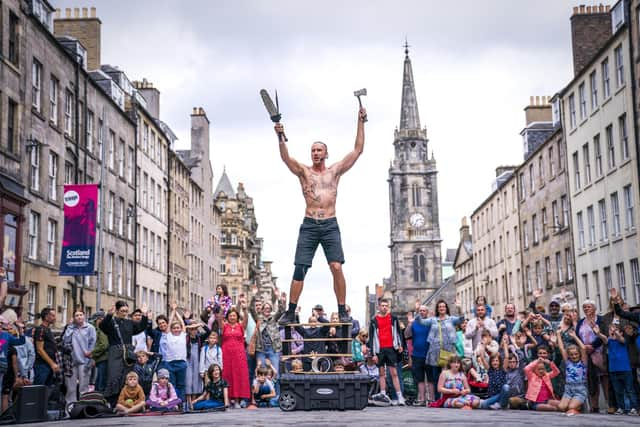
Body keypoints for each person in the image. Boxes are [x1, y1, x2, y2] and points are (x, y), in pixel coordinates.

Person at [275, 106, 367, 326]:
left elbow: (357, 150)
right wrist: (280, 137)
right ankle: (290, 311)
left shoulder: (334, 171)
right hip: (310, 224)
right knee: (300, 267)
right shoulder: (304, 172)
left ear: (326, 154)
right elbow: (286, 159)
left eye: (319, 150)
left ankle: (342, 310)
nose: (315, 153)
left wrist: (360, 121)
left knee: (336, 266)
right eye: (313, 150)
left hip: (329, 224)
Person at [99, 301, 149, 406]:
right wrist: (109, 315)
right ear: (117, 311)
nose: (124, 313)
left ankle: (125, 402)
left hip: (127, 354)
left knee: (126, 377)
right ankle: (112, 402)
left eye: (126, 311)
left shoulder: (129, 322)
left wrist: (144, 315)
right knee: (114, 377)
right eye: (122, 311)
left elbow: (141, 328)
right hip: (115, 352)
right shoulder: (112, 322)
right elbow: (102, 327)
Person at [419, 299, 463, 402]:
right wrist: (418, 311)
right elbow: (421, 322)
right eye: (439, 307)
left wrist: (459, 308)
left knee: (447, 375)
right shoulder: (433, 320)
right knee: (436, 376)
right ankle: (437, 398)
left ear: (446, 308)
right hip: (435, 351)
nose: (441, 308)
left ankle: (447, 398)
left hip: (448, 352)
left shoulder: (451, 319)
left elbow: (461, 319)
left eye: (443, 306)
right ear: (437, 309)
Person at [594, 323, 638, 415]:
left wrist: (616, 332)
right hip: (613, 370)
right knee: (618, 391)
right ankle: (621, 408)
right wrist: (598, 333)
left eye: (615, 329)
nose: (612, 331)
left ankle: (634, 408)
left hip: (625, 370)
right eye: (610, 330)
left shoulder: (623, 340)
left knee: (629, 389)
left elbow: (621, 339)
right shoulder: (609, 340)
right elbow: (603, 338)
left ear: (621, 333)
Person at [368, 299, 405, 406]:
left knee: (394, 373)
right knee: (381, 373)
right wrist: (373, 354)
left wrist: (400, 345)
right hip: (379, 349)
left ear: (388, 307)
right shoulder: (374, 320)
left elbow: (399, 333)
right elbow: (371, 338)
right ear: (379, 307)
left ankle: (400, 397)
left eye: (386, 306)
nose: (384, 307)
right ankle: (383, 395)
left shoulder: (393, 318)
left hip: (391, 348)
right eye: (382, 306)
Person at [576, 299, 607, 413]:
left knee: (604, 378)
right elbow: (577, 335)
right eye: (584, 307)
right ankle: (595, 406)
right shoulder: (581, 322)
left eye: (588, 307)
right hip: (586, 354)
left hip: (600, 352)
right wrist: (584, 347)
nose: (586, 309)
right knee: (591, 379)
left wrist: (593, 346)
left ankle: (610, 404)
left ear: (594, 308)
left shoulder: (601, 320)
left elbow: (604, 333)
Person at [62, 308, 96, 404]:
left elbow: (93, 342)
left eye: (81, 315)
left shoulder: (90, 328)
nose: (79, 317)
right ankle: (70, 407)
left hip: (85, 360)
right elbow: (66, 340)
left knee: (83, 386)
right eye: (77, 315)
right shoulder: (71, 328)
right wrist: (70, 327)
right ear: (73, 317)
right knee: (71, 387)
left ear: (84, 316)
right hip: (71, 361)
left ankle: (83, 406)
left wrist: (90, 354)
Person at [157, 303, 188, 407]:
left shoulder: (183, 335)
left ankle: (182, 403)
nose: (176, 329)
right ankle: (174, 403)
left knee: (181, 384)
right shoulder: (168, 335)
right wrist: (172, 311)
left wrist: (176, 312)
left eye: (178, 328)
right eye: (174, 328)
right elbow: (169, 323)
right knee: (172, 385)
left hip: (181, 363)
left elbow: (183, 323)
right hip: (170, 363)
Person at [221, 305, 250, 408]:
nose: (232, 317)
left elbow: (246, 320)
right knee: (227, 375)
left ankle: (238, 400)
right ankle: (228, 399)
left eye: (234, 315)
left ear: (237, 317)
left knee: (239, 376)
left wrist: (245, 310)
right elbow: (219, 318)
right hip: (227, 354)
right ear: (228, 317)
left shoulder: (240, 326)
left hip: (239, 354)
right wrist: (221, 309)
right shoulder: (224, 326)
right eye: (230, 315)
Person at [556, 328, 588, 416]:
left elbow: (583, 348)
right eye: (571, 354)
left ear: (579, 354)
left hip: (580, 389)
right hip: (568, 389)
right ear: (569, 356)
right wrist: (558, 334)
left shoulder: (583, 363)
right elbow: (562, 348)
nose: (574, 356)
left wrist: (574, 336)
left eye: (576, 354)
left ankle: (579, 405)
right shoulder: (568, 362)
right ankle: (573, 404)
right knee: (561, 407)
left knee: (571, 408)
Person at [405, 305, 431, 406]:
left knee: (430, 378)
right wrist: (409, 324)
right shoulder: (414, 323)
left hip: (429, 354)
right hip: (417, 354)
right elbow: (407, 334)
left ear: (427, 312)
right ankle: (422, 399)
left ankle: (431, 399)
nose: (422, 312)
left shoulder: (430, 323)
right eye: (420, 311)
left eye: (424, 311)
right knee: (419, 378)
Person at [33, 307, 59, 386]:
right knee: (38, 390)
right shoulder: (40, 329)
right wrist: (52, 364)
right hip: (42, 365)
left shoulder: (48, 330)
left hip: (48, 365)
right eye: (53, 316)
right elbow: (40, 350)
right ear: (47, 316)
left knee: (46, 391)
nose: (55, 318)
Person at [89, 311, 108, 393]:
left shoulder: (99, 329)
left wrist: (92, 353)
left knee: (99, 380)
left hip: (102, 358)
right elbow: (102, 344)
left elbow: (103, 345)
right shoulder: (98, 329)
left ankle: (98, 399)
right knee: (99, 381)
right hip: (101, 358)